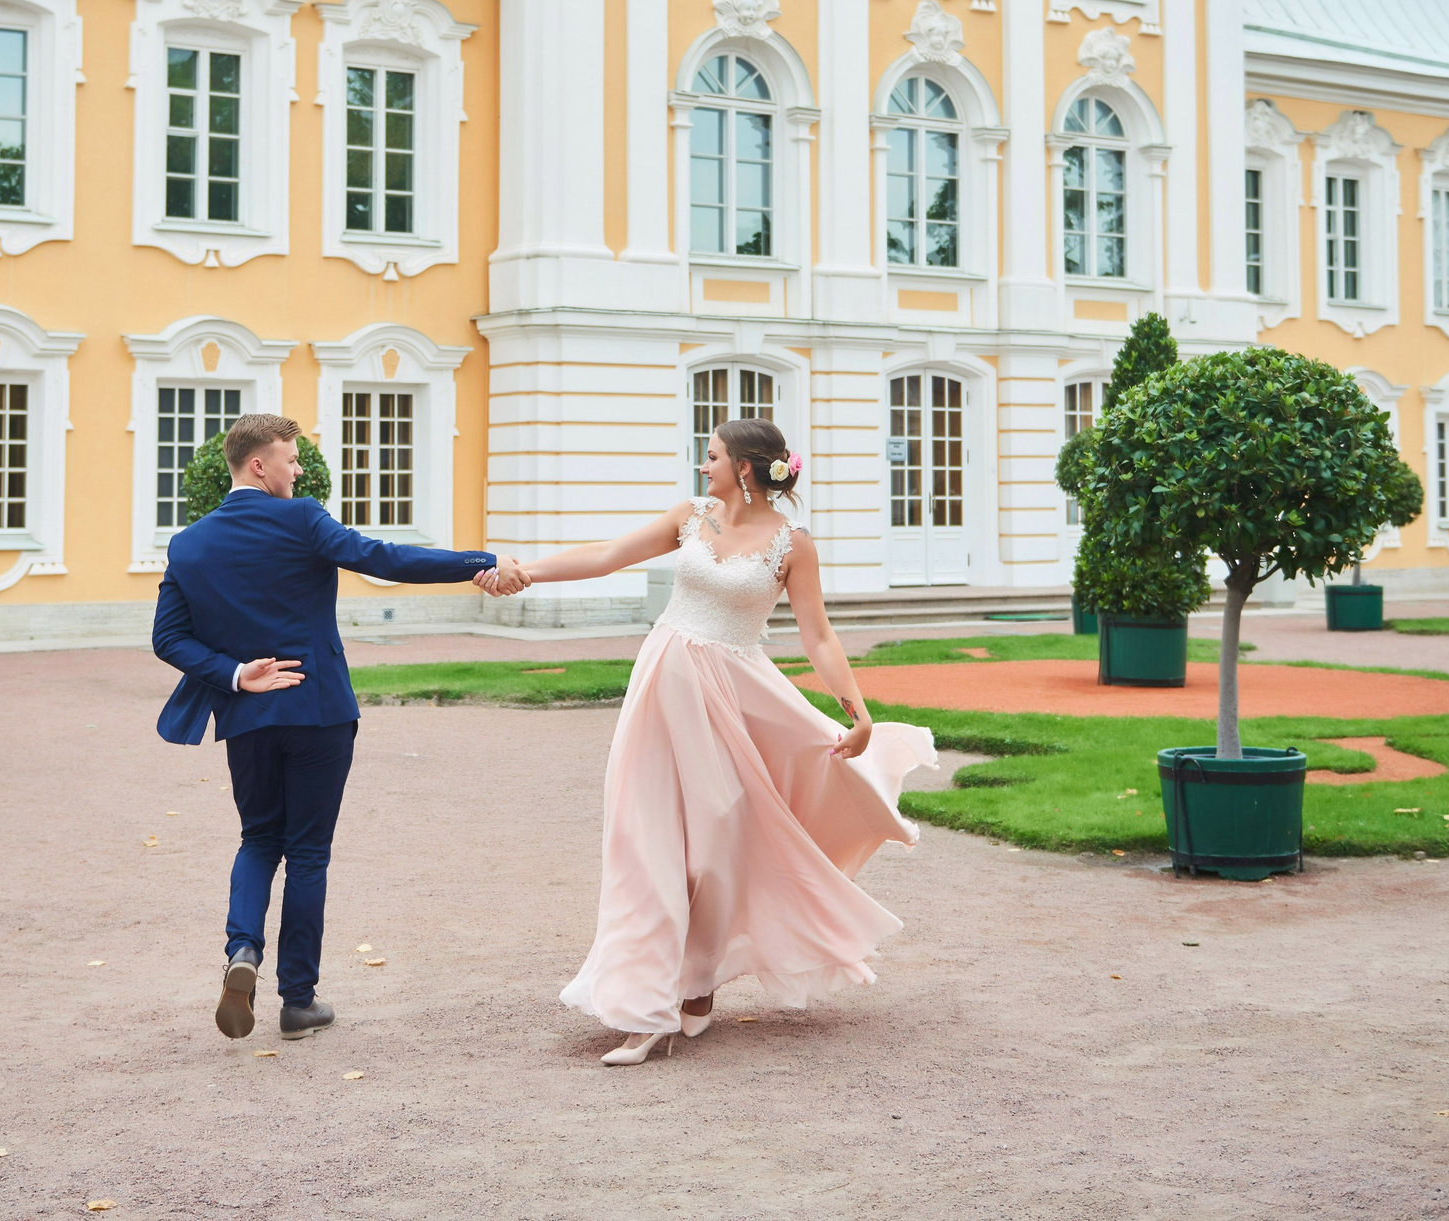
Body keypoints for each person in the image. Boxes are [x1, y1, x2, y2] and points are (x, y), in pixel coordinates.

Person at [501, 419, 937, 1065]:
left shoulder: (795, 544)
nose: (702, 466)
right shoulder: (690, 515)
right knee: (644, 838)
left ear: (745, 467)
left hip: (735, 696)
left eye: (711, 456)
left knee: (717, 844)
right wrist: (524, 571)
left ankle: (697, 985)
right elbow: (606, 554)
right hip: (664, 685)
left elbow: (818, 635)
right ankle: (647, 1009)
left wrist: (858, 710)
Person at [152, 412, 527, 1042]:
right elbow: (382, 559)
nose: (300, 470)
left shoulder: (189, 542)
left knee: (257, 839)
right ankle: (298, 1002)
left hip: (247, 715)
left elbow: (168, 638)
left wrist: (238, 674)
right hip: (320, 709)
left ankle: (241, 952)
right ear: (258, 465)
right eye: (292, 459)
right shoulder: (301, 519)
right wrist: (479, 561)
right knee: (308, 853)